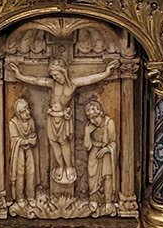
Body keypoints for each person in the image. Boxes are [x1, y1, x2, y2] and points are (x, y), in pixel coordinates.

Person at [8, 57, 118, 185]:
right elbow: (36, 81)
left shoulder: (73, 84)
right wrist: (20, 76)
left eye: (56, 75)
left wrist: (106, 73)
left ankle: (69, 167)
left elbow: (89, 79)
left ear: (63, 72)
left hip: (63, 119)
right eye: (53, 75)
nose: (55, 78)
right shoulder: (52, 84)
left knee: (64, 143)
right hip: (52, 118)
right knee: (54, 143)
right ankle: (60, 166)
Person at [83, 98, 117, 216]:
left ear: (101, 113)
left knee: (107, 176)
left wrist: (106, 149)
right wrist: (87, 133)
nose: (92, 121)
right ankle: (94, 201)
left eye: (95, 117)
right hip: (94, 153)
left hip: (105, 151)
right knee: (92, 177)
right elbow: (87, 146)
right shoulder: (90, 126)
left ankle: (108, 202)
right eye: (90, 118)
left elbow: (113, 143)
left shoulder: (109, 123)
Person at [8, 97, 39, 209]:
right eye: (23, 111)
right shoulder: (13, 123)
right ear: (18, 114)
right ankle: (20, 198)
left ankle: (31, 196)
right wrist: (27, 141)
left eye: (28, 109)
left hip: (29, 149)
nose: (27, 112)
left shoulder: (31, 122)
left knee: (31, 172)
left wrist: (33, 138)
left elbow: (33, 133)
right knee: (20, 173)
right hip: (19, 151)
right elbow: (14, 139)